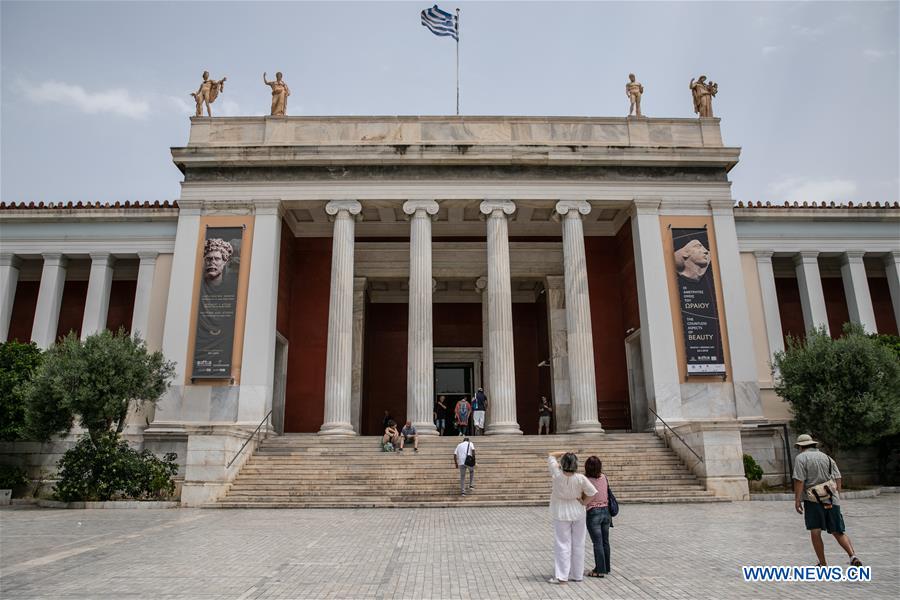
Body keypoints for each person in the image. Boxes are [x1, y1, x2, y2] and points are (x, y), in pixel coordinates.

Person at [792, 434, 863, 567]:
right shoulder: (827, 458)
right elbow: (838, 478)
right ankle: (853, 556)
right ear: (813, 445)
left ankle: (823, 564)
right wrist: (836, 494)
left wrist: (797, 500)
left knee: (815, 531)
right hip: (832, 499)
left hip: (813, 500)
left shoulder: (801, 458)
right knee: (838, 531)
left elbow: (799, 480)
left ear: (801, 447)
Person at [547, 451, 597, 585]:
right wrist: (584, 502)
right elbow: (592, 492)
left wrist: (565, 452)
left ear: (562, 464)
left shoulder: (557, 475)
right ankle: (577, 574)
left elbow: (551, 455)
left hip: (561, 511)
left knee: (562, 544)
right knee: (579, 544)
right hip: (578, 510)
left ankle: (562, 576)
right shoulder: (580, 478)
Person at [583, 456, 611, 578]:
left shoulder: (585, 479)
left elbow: (584, 496)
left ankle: (599, 570)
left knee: (597, 543)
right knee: (605, 541)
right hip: (606, 511)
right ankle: (606, 567)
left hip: (593, 512)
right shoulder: (604, 477)